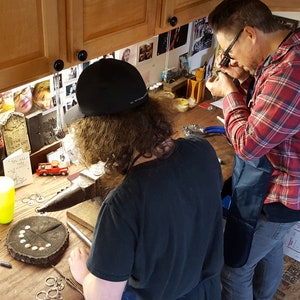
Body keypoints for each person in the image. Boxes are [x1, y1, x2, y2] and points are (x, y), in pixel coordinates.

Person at [65, 58, 224, 300]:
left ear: (97, 134)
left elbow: (103, 297)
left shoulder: (123, 205)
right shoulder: (201, 150)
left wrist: (84, 274)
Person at [205, 0, 300, 299]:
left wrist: (228, 90)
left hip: (283, 195)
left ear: (248, 33)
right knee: (268, 248)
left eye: (229, 51)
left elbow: (249, 144)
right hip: (282, 188)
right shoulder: (285, 51)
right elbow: (268, 108)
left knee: (234, 269)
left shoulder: (290, 71)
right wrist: (245, 78)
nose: (229, 58)